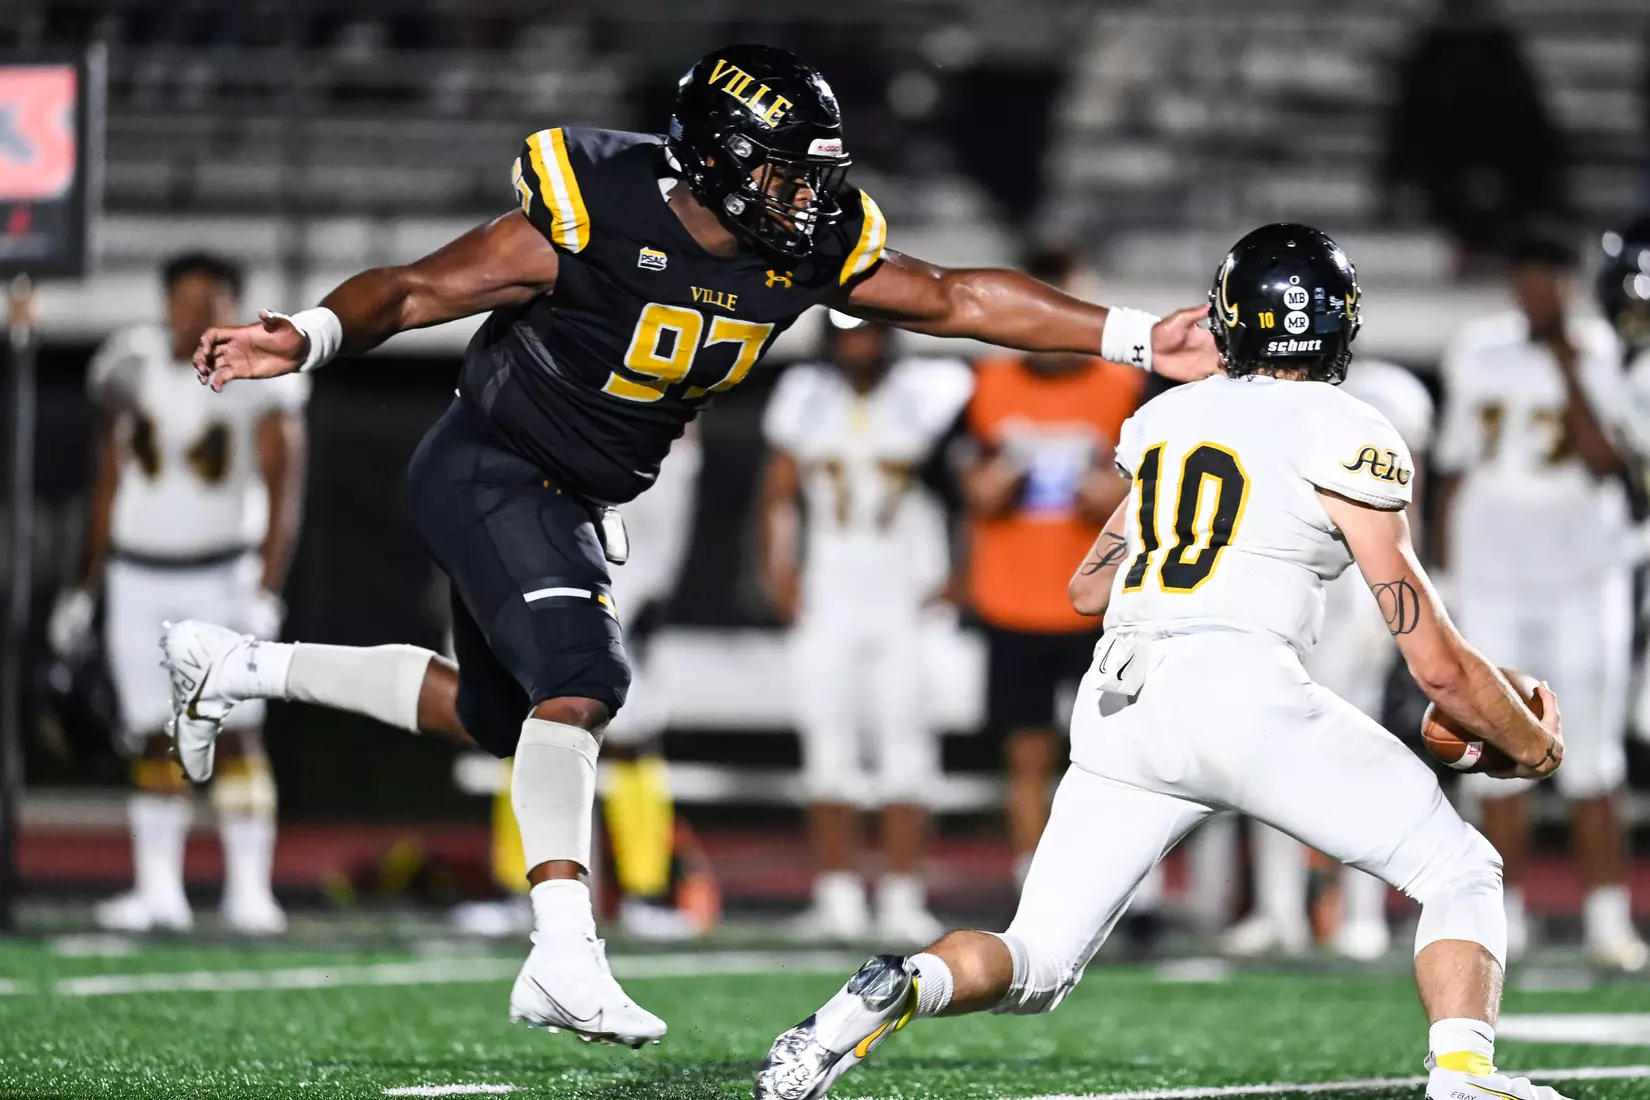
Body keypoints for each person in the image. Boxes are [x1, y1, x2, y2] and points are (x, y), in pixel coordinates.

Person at [159, 44, 1219, 1048]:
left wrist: (1131, 334)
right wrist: (304, 333)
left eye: (819, 175)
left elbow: (950, 298)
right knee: (580, 681)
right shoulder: (592, 212)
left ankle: (233, 664)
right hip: (488, 463)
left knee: (498, 714)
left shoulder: (798, 251)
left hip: (573, 493)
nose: (810, 197)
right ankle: (562, 949)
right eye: (789, 173)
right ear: (718, 159)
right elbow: (415, 288)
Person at [756, 224, 1571, 1100]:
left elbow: (1085, 591)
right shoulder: (1346, 426)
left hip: (1122, 704)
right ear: (1339, 326)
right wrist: (1529, 743)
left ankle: (891, 991)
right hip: (1242, 691)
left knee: (1036, 960)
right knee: (1460, 870)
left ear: (1230, 321)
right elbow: (1434, 658)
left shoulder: (1166, 417)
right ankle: (1464, 1077)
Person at [48, 252, 307, 935]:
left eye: (211, 300)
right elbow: (107, 479)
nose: (195, 313)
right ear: (163, 302)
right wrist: (83, 584)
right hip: (138, 575)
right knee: (151, 734)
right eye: (184, 298)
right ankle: (158, 890)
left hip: (223, 572)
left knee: (241, 731)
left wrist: (267, 587)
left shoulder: (259, 374)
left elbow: (287, 490)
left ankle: (251, 892)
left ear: (233, 306)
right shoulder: (127, 363)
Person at [1433, 229, 1647, 971]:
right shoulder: (1478, 348)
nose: (1536, 293)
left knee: (1591, 757)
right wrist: (1443, 571)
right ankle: (1504, 914)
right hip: (1493, 574)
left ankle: (1606, 919)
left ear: (1571, 283)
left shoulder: (1602, 350)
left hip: (1585, 575)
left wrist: (1567, 362)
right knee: (1495, 748)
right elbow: (1455, 466)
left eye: (1549, 278)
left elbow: (1604, 461)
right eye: (1526, 277)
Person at [758, 311, 972, 945]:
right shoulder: (804, 395)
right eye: (849, 333)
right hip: (831, 592)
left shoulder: (928, 393)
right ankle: (837, 896)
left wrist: (960, 572)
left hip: (905, 594)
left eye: (870, 332)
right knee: (828, 754)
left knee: (908, 756)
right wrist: (779, 572)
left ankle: (904, 896)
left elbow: (962, 487)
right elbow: (778, 492)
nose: (860, 345)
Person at [1220, 357, 1435, 961]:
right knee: (1267, 748)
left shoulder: (1385, 390)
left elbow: (1406, 509)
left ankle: (1360, 911)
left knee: (1357, 753)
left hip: (1353, 594)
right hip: (1277, 583)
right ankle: (1277, 907)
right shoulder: (1259, 398)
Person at [961, 247, 1146, 887]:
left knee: (1120, 755)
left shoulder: (1129, 388)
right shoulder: (986, 384)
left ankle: (1126, 889)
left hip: (1108, 600)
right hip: (1013, 595)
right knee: (1027, 757)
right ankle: (1032, 883)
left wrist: (1119, 499)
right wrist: (993, 479)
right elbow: (966, 487)